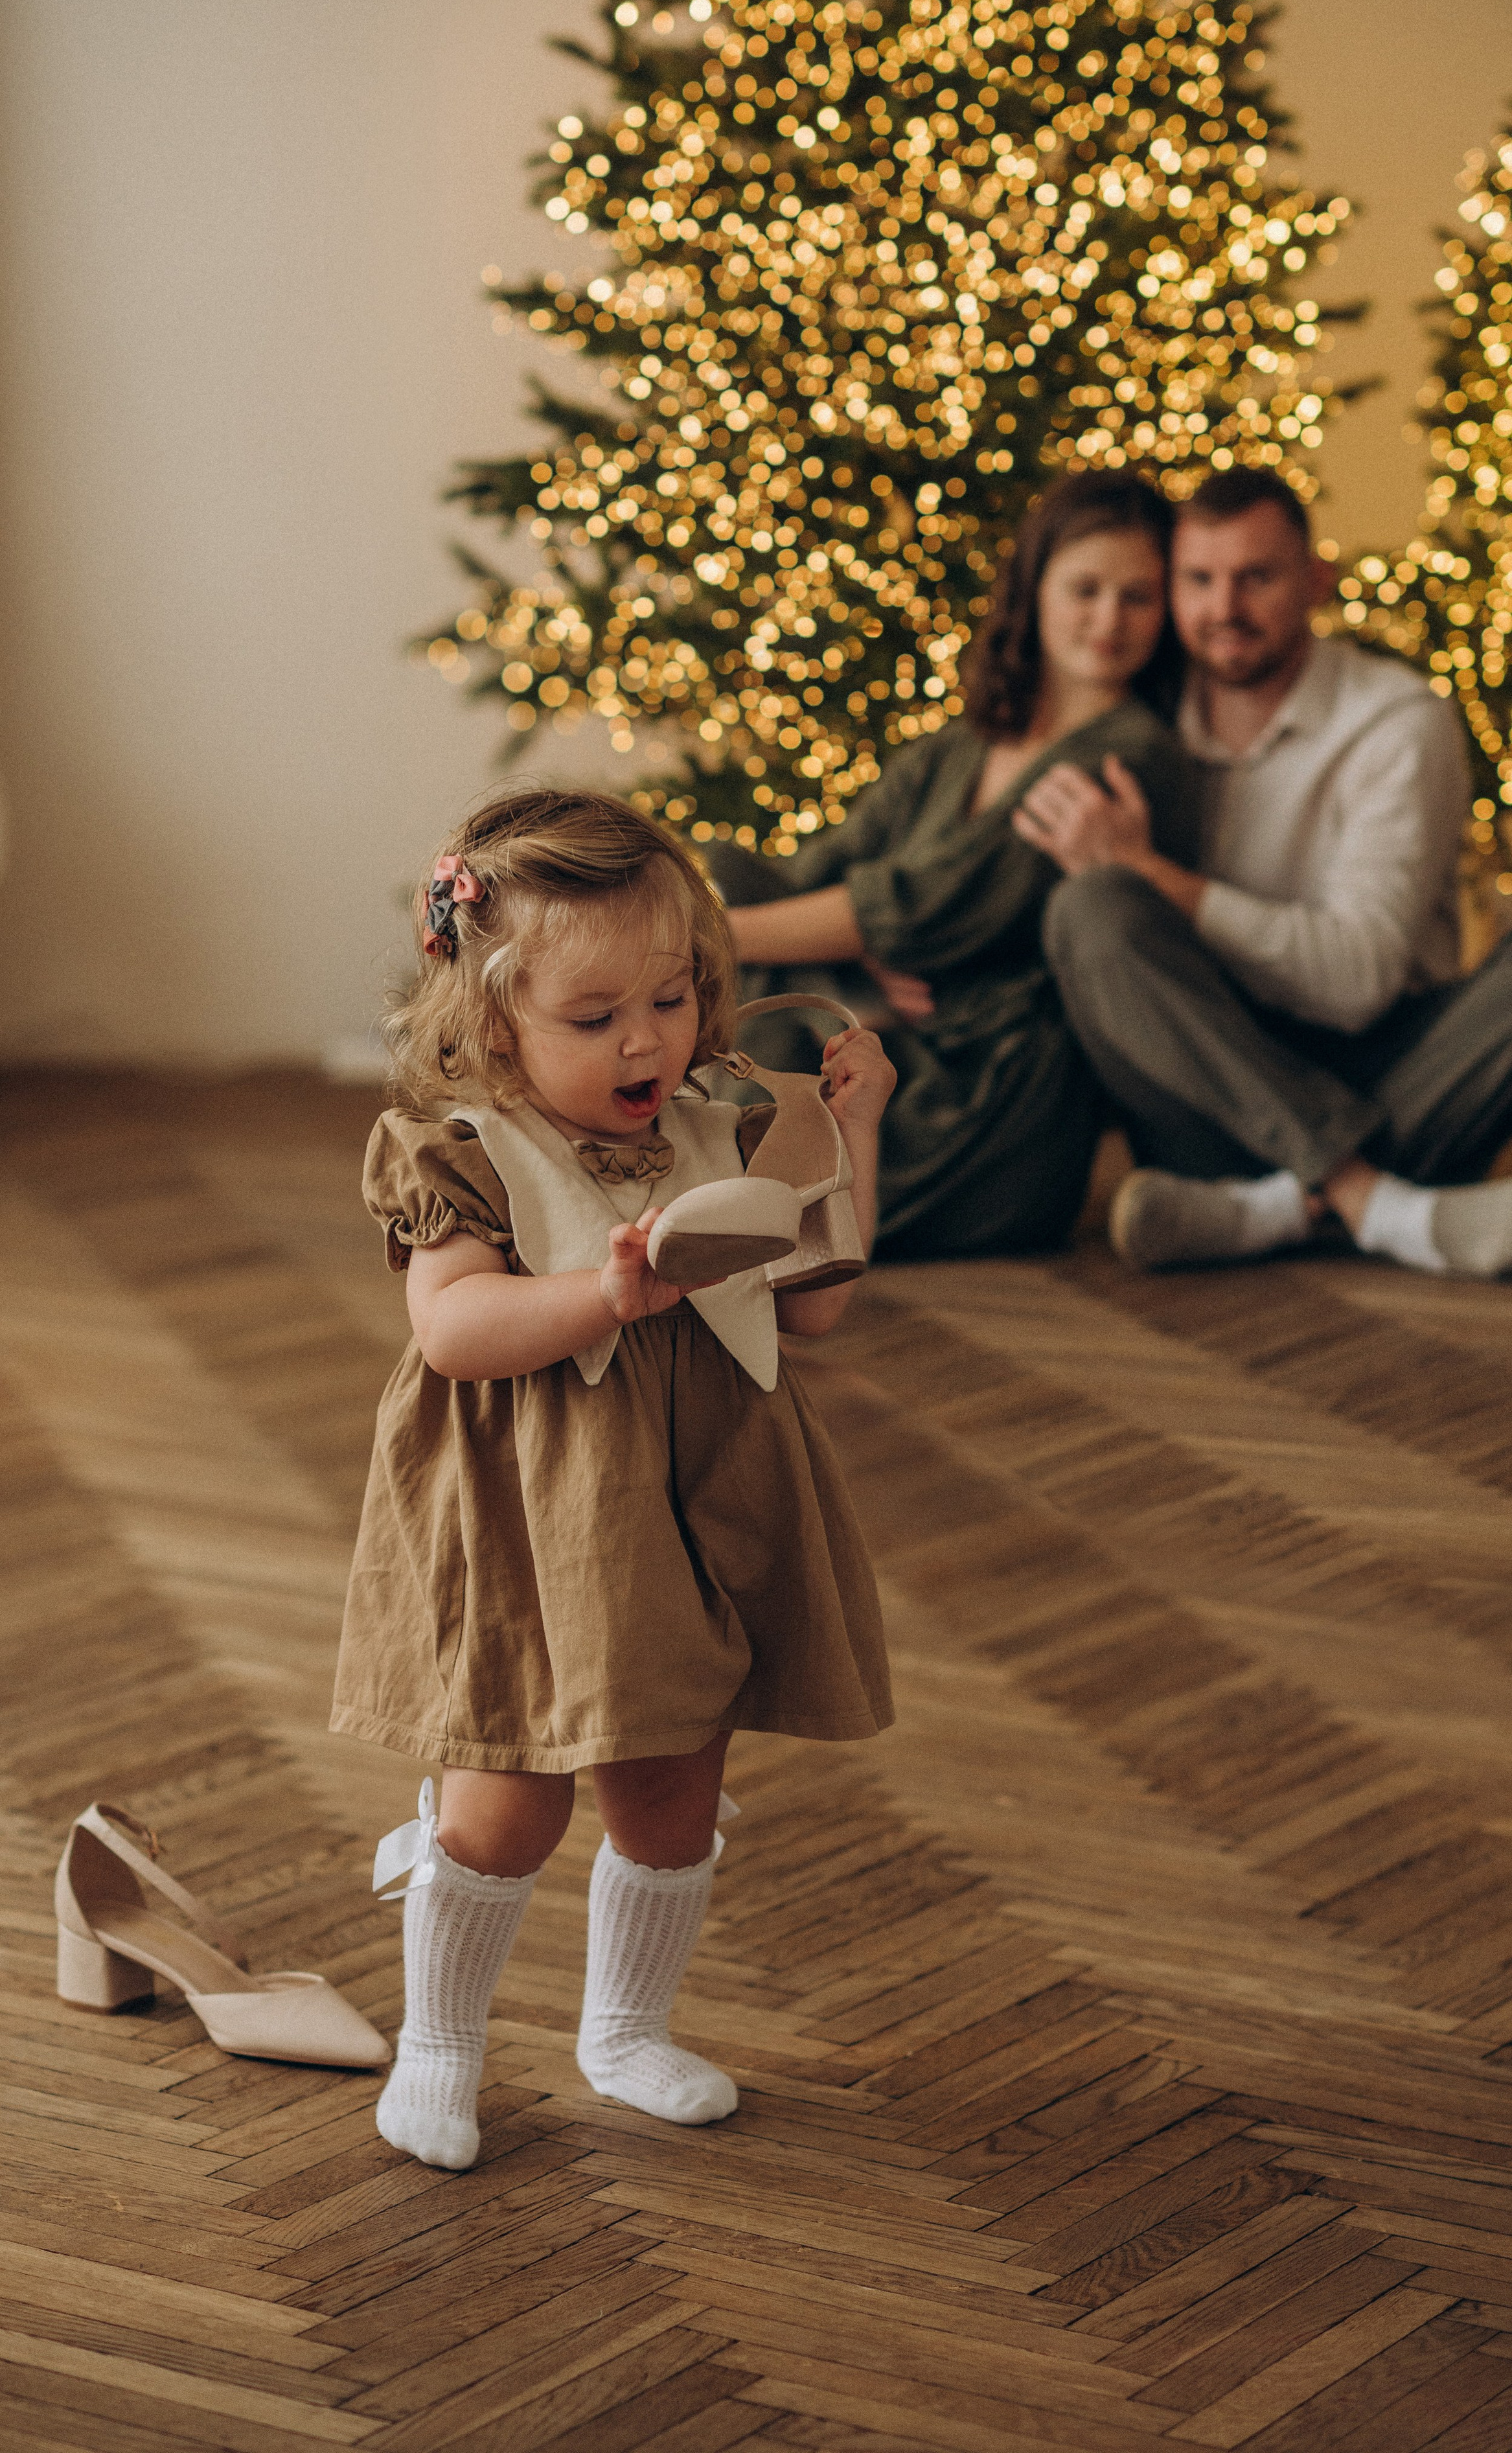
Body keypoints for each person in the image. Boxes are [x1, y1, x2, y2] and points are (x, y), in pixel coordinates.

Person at [332, 787, 895, 2172]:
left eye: (672, 997)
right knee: (504, 1804)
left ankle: (625, 2031)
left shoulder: (717, 1121)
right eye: (594, 1019)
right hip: (532, 1515)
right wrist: (604, 1294)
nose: (647, 1039)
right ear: (492, 1025)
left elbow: (818, 1304)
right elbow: (453, 1330)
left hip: (690, 1499)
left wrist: (855, 1131)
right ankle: (439, 2045)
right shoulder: (462, 1147)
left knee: (668, 1790)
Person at [1021, 466, 1512, 1277]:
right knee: (1091, 909)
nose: (1224, 608)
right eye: (1198, 581)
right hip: (1215, 1088)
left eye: (1256, 578)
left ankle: (1262, 1212)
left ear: (1315, 580)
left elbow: (1354, 983)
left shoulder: (1396, 723)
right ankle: (1373, 1205)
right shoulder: (1136, 720)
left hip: (1401, 1078)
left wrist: (1150, 870)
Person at [713, 471, 1202, 1258]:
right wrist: (854, 965)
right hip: (885, 1036)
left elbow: (918, 909)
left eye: (1137, 597)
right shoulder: (967, 741)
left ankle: (719, 1174)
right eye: (1085, 589)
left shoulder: (1129, 756)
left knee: (731, 952)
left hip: (980, 1093)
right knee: (728, 872)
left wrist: (697, 940)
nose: (1109, 620)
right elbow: (823, 869)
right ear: (1035, 587)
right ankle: (704, 1157)